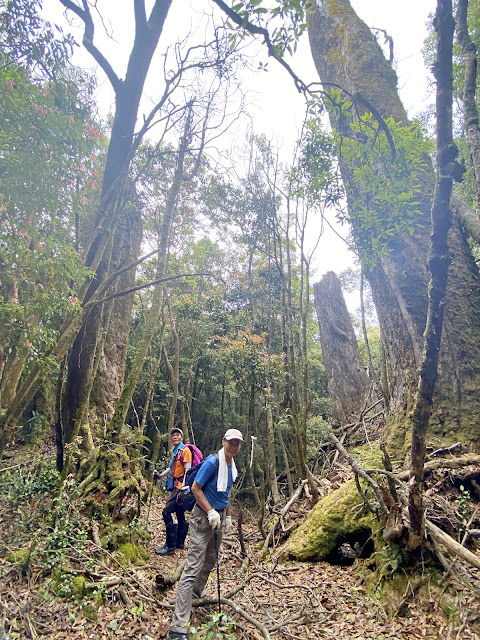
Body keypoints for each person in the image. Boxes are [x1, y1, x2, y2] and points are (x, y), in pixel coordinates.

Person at [167, 428, 243, 640]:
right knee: (193, 566)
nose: (234, 446)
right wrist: (210, 511)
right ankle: (178, 626)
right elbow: (196, 489)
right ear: (223, 442)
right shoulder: (212, 462)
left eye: (237, 443)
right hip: (203, 518)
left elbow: (226, 492)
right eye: (231, 442)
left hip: (218, 517)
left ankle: (197, 592)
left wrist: (227, 516)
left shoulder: (231, 465)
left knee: (210, 560)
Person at [153, 428, 192, 555]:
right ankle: (179, 542)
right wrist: (160, 476)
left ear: (181, 437)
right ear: (171, 438)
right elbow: (171, 469)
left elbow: (188, 470)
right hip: (177, 485)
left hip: (181, 487)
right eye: (173, 435)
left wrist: (184, 488)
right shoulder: (175, 452)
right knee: (180, 513)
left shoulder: (185, 450)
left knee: (166, 512)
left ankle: (170, 545)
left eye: (177, 435)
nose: (175, 437)